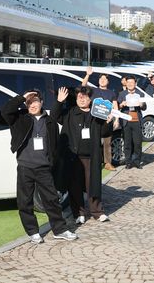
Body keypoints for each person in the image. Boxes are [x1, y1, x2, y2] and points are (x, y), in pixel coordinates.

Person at [0, 90, 78, 243]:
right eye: (29, 102)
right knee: (25, 201)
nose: (32, 105)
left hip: (44, 168)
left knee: (52, 200)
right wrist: (22, 97)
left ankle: (60, 229)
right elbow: (5, 111)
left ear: (41, 102)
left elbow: (55, 145)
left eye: (35, 101)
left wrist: (52, 162)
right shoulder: (19, 118)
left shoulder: (49, 121)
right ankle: (33, 231)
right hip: (25, 166)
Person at [51, 86, 111, 224]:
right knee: (74, 185)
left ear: (90, 99)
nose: (82, 99)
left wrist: (108, 122)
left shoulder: (97, 114)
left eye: (85, 97)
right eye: (79, 96)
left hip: (92, 156)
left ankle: (97, 211)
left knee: (93, 185)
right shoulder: (70, 113)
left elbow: (104, 133)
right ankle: (79, 213)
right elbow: (54, 116)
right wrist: (59, 102)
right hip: (74, 157)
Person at [81, 67, 118, 171]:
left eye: (105, 79)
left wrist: (116, 119)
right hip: (93, 120)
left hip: (107, 121)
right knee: (93, 142)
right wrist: (88, 75)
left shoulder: (112, 93)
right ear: (98, 81)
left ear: (108, 81)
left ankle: (107, 163)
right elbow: (83, 85)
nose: (102, 80)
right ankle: (94, 162)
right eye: (101, 79)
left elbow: (115, 106)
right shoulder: (93, 90)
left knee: (107, 143)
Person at [118, 77, 148, 169]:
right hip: (126, 121)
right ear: (126, 84)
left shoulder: (140, 93)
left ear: (135, 84)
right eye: (128, 82)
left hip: (136, 121)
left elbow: (144, 107)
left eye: (132, 82)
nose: (130, 84)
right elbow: (117, 106)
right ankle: (128, 162)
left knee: (137, 143)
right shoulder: (122, 94)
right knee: (127, 143)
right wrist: (121, 104)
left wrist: (141, 104)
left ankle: (137, 161)